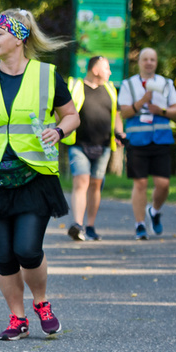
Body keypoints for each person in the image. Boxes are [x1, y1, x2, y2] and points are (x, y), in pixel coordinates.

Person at [0, 8, 79, 341]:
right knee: (4, 256)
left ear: (19, 37)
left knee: (27, 249)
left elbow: (71, 116)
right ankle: (17, 318)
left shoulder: (46, 75)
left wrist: (59, 130)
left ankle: (41, 303)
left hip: (34, 176)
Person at [117, 48, 176, 239]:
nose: (149, 62)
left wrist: (161, 111)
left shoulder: (166, 83)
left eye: (153, 59)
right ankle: (140, 225)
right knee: (141, 183)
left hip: (161, 139)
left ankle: (154, 211)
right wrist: (142, 101)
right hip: (137, 141)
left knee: (163, 184)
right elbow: (125, 112)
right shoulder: (129, 84)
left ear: (156, 62)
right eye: (145, 59)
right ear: (140, 62)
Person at [64, 56, 124, 241]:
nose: (110, 72)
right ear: (95, 69)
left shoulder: (110, 90)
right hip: (79, 144)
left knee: (95, 185)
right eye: (106, 68)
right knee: (81, 181)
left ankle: (90, 226)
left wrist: (120, 133)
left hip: (103, 145)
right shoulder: (76, 86)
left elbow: (116, 115)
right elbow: (64, 111)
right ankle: (77, 224)